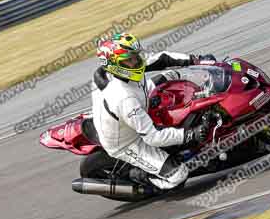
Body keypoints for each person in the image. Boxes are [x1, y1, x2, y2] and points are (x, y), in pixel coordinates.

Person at [91, 32, 215, 190]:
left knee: (172, 75)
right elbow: (153, 137)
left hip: (138, 101)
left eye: (136, 56)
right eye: (129, 60)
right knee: (178, 175)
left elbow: (162, 59)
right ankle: (139, 175)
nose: (136, 62)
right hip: (128, 141)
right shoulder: (123, 98)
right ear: (115, 65)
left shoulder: (127, 68)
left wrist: (197, 60)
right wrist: (190, 134)